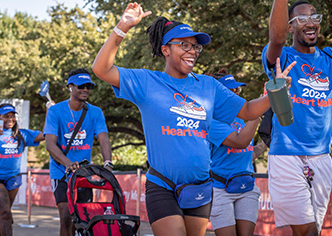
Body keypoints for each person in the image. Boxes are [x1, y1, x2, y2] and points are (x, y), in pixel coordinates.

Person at [92, 3, 295, 236]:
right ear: (165, 49)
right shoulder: (147, 82)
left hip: (200, 186)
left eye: (196, 47)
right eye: (184, 45)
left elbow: (248, 110)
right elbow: (102, 69)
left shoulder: (209, 86)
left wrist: (274, 90)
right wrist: (122, 27)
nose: (193, 51)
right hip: (162, 184)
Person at [262, 0, 332, 235]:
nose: (310, 23)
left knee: (314, 230)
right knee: (308, 231)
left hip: (321, 158)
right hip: (286, 155)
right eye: (301, 19)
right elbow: (277, 39)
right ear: (290, 27)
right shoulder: (281, 56)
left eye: (314, 17)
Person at [44, 68, 113, 236]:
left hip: (83, 174)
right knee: (66, 216)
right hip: (61, 172)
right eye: (81, 86)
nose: (85, 90)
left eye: (89, 86)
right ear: (70, 87)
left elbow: (103, 138)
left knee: (82, 219)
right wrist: (67, 163)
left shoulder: (95, 112)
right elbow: (50, 144)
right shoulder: (55, 111)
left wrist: (108, 162)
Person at [0, 103, 44, 236]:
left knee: (2, 214)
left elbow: (45, 135)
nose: (10, 119)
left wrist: (48, 111)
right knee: (6, 213)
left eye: (12, 116)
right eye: (6, 116)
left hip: (13, 178)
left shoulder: (21, 134)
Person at [207, 72, 263, 236]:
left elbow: (246, 154)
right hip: (220, 190)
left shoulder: (240, 120)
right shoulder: (211, 122)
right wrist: (257, 112)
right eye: (231, 91)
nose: (236, 94)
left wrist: (266, 143)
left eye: (237, 90)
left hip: (246, 187)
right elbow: (240, 142)